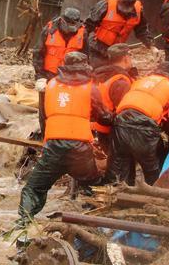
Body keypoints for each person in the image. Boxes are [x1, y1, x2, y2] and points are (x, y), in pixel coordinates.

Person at [17, 52, 111, 225]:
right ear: (85, 64)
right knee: (94, 185)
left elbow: (45, 117)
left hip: (53, 145)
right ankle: (100, 219)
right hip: (80, 147)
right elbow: (103, 117)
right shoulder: (91, 87)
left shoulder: (50, 85)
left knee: (34, 187)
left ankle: (24, 222)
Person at [106, 61, 169, 186]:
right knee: (150, 165)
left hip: (120, 122)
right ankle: (154, 197)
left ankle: (116, 196)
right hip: (145, 126)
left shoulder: (139, 81)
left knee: (118, 165)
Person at [32, 7, 86, 135]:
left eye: (74, 26)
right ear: (62, 21)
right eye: (69, 26)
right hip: (49, 74)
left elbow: (86, 57)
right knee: (46, 107)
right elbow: (38, 54)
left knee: (67, 106)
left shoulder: (82, 33)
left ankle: (65, 134)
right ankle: (46, 135)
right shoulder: (49, 31)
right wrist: (40, 77)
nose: (71, 30)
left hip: (71, 76)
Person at [92, 43, 138, 165]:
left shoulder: (104, 76)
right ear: (126, 58)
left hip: (103, 129)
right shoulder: (120, 82)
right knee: (123, 166)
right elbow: (125, 112)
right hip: (114, 132)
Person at [83, 0, 151, 66]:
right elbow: (87, 26)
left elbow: (142, 30)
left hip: (119, 52)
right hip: (99, 49)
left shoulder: (138, 11)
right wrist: (83, 48)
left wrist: (151, 46)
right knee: (96, 73)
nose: (124, 11)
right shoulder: (105, 6)